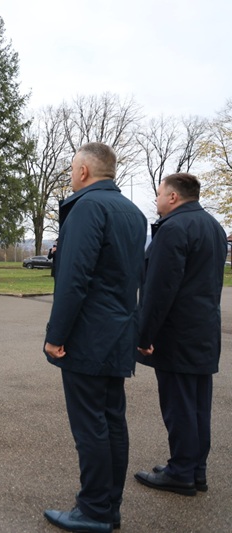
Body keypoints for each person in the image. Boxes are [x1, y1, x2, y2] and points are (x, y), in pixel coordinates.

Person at [42, 142, 146, 533]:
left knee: (91, 425)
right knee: (111, 420)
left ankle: (94, 510)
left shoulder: (86, 207)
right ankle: (108, 506)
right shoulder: (133, 212)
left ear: (84, 171)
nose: (71, 176)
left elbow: (74, 279)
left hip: (88, 334)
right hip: (118, 329)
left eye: (71, 169)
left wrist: (56, 335)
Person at [133, 173, 227, 497]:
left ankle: (181, 472)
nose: (157, 200)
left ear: (173, 197)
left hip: (178, 335)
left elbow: (159, 290)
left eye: (159, 194)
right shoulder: (214, 227)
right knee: (199, 405)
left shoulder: (173, 229)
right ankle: (195, 469)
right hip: (204, 332)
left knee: (180, 405)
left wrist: (143, 336)